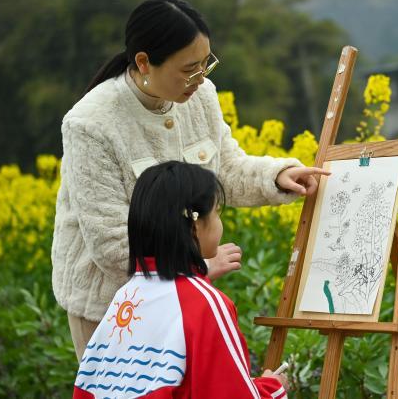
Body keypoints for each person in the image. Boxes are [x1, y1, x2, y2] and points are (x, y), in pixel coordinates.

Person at [52, 0, 328, 360]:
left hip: (185, 293)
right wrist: (196, 268)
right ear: (144, 62)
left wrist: (278, 176)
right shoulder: (90, 123)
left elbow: (224, 170)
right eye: (188, 69)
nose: (200, 79)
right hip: (114, 306)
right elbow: (112, 243)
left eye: (206, 65)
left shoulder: (201, 96)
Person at [73, 161, 288, 398]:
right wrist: (272, 388)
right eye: (217, 212)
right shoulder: (205, 304)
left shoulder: (126, 296)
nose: (219, 222)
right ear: (195, 225)